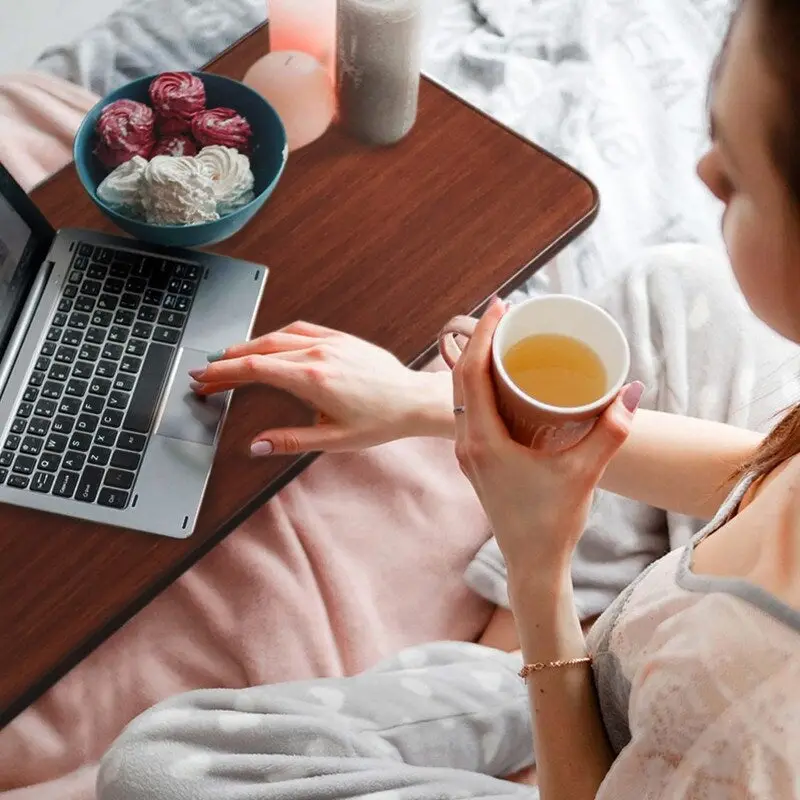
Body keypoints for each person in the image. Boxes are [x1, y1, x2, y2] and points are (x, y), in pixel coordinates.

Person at [96, 0, 800, 797]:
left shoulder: (761, 719)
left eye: (738, 177)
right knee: (679, 284)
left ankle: (531, 669)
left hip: (630, 753)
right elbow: (765, 473)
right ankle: (537, 665)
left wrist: (540, 574)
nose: (702, 172)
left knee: (159, 769)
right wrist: (429, 405)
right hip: (664, 641)